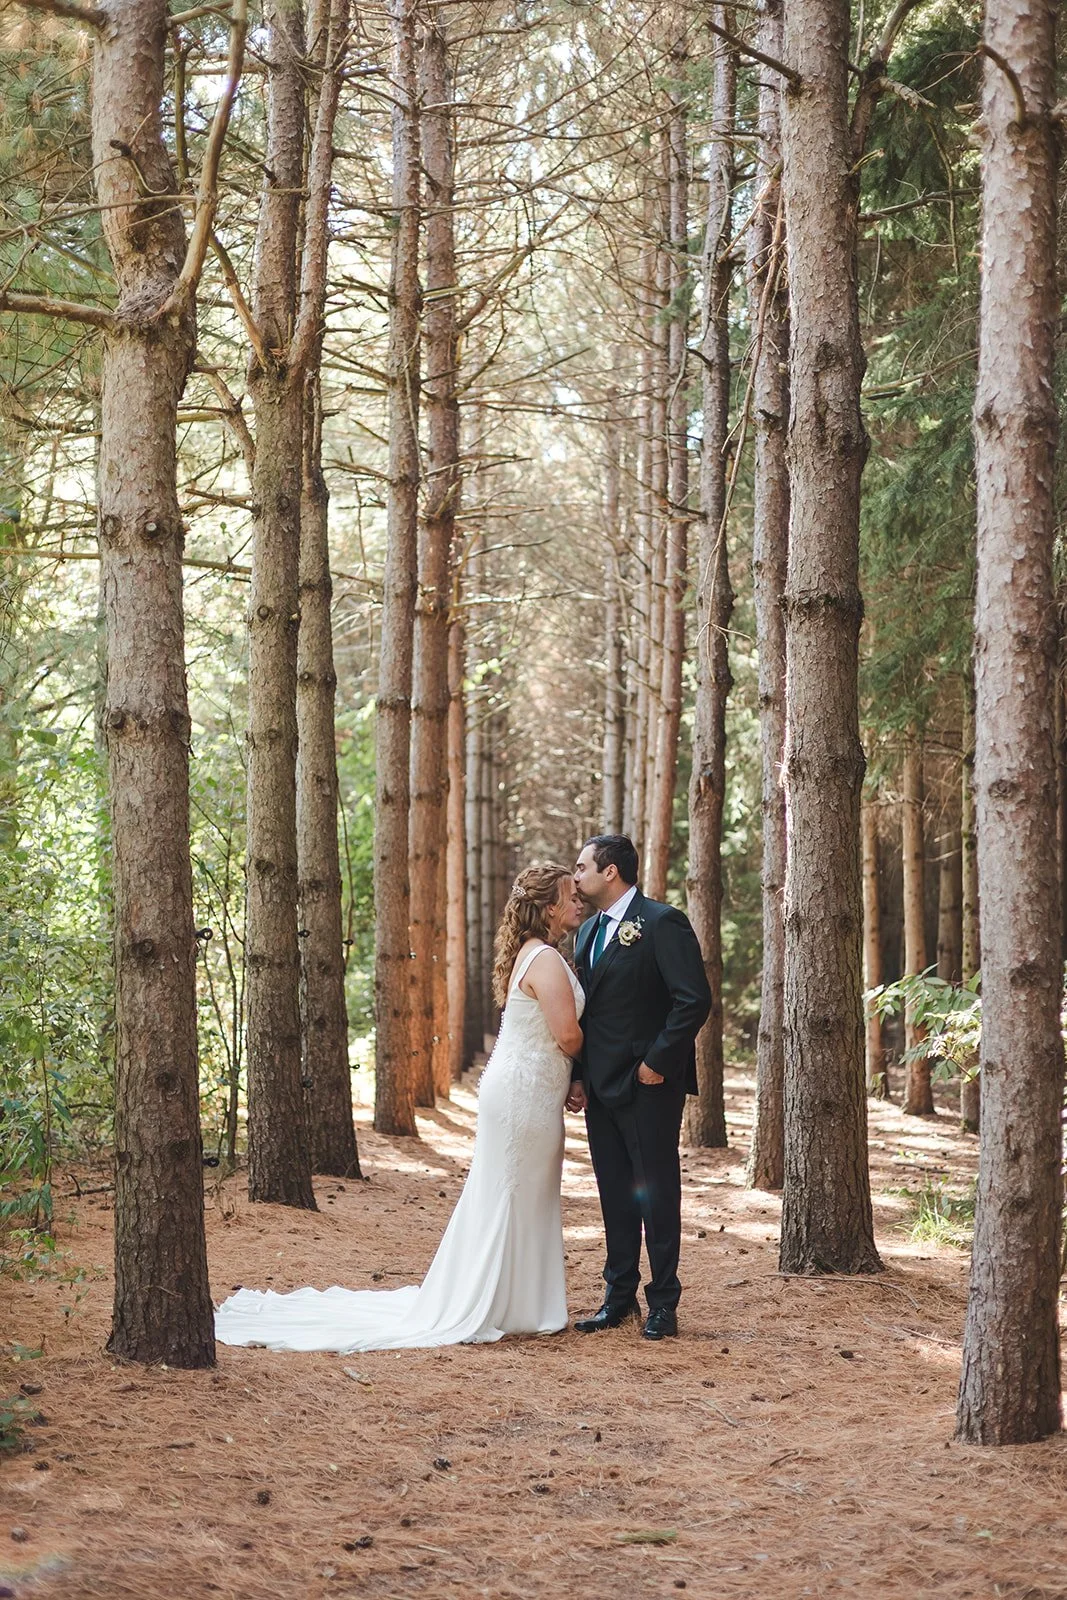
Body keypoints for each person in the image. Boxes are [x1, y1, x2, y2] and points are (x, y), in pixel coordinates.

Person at [214, 863, 585, 1353]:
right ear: (547, 907)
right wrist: (601, 1058)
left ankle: (519, 1301)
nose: (578, 901)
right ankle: (503, 1301)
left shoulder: (533, 955)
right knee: (513, 1191)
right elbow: (568, 1035)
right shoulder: (546, 961)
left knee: (516, 1192)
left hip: (525, 1087)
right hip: (525, 1091)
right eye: (568, 894)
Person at [567, 834, 711, 1341]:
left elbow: (692, 1000)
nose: (575, 875)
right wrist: (578, 1076)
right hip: (600, 1088)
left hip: (648, 1086)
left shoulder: (661, 922)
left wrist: (657, 1062)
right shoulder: (586, 933)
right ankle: (618, 1297)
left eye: (581, 866)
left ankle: (664, 1303)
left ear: (611, 872)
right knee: (614, 1194)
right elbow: (584, 1013)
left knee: (656, 1193)